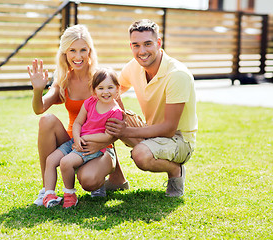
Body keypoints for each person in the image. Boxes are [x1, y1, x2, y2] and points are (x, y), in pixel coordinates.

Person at [27, 25, 128, 206]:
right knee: (46, 120)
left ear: (90, 51)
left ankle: (99, 179)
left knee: (88, 180)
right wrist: (37, 90)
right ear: (65, 52)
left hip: (101, 145)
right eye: (72, 50)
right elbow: (39, 109)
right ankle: (47, 191)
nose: (78, 56)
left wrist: (102, 142)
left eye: (83, 50)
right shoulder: (63, 80)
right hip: (73, 142)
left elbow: (121, 121)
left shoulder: (101, 79)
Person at [106, 19, 198, 197]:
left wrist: (125, 131)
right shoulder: (134, 66)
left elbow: (169, 129)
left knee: (141, 155)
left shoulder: (177, 74)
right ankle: (117, 179)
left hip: (179, 140)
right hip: (151, 131)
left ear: (158, 43)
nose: (142, 51)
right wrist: (117, 116)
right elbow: (113, 90)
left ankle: (175, 171)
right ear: (130, 46)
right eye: (136, 45)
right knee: (110, 119)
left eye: (148, 44)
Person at [42, 68, 123, 208]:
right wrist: (77, 138)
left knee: (66, 162)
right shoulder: (90, 102)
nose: (106, 92)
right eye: (101, 88)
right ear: (94, 90)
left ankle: (70, 195)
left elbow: (108, 136)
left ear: (117, 89)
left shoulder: (115, 112)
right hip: (77, 140)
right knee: (50, 160)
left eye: (110, 87)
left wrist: (86, 139)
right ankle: (49, 195)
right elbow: (78, 123)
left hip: (94, 146)